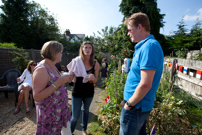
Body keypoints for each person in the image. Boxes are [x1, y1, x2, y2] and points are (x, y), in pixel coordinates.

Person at [119, 12, 164, 135]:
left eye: (130, 30)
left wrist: (129, 104)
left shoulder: (150, 47)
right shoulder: (145, 46)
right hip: (136, 106)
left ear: (140, 27)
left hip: (136, 107)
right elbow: (141, 76)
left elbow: (145, 84)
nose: (128, 33)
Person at [32, 41, 71, 135]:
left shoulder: (52, 65)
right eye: (60, 51)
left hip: (60, 110)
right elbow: (37, 97)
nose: (62, 54)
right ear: (54, 53)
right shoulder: (41, 69)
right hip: (50, 114)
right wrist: (58, 82)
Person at [67, 41, 99, 135]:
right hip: (77, 92)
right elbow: (70, 78)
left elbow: (96, 80)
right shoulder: (76, 61)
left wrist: (93, 79)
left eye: (89, 47)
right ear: (82, 49)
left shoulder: (95, 63)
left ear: (92, 50)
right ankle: (71, 131)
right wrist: (68, 75)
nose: (87, 49)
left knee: (86, 112)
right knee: (75, 116)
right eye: (85, 47)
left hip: (89, 92)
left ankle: (84, 130)